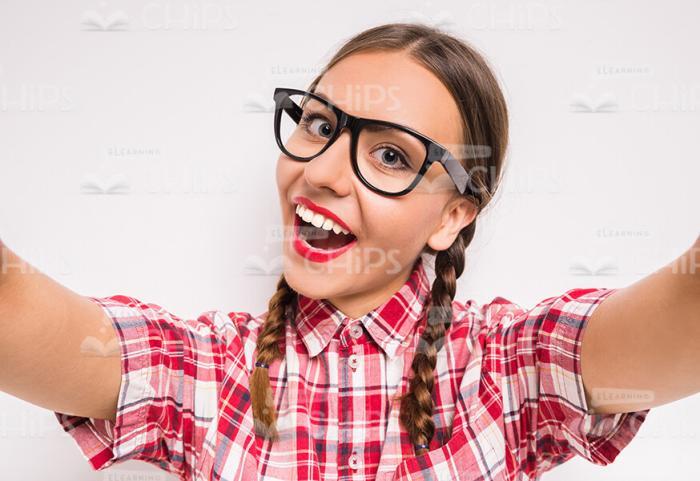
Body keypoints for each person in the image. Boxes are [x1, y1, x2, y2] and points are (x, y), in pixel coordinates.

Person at [1, 21, 698, 481]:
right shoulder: (206, 369)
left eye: (390, 154)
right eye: (320, 123)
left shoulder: (510, 368)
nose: (325, 171)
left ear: (454, 213)